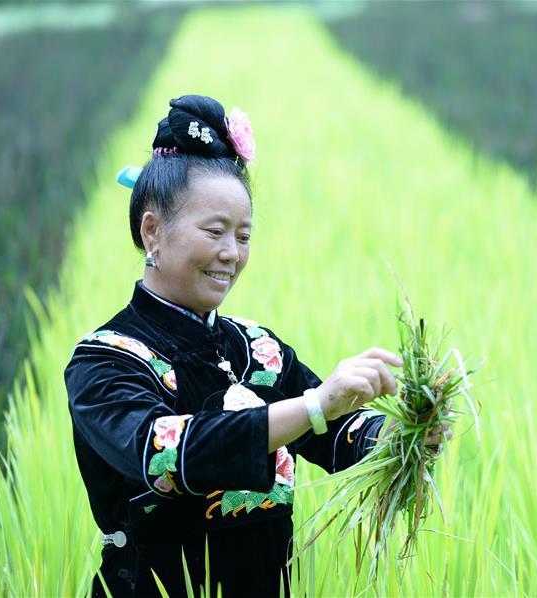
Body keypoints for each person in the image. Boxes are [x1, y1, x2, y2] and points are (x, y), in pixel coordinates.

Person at [64, 95, 450, 597]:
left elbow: (335, 434)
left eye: (243, 236)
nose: (231, 253)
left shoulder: (257, 349)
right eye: (215, 231)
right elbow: (162, 452)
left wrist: (407, 437)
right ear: (153, 231)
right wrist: (314, 404)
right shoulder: (105, 360)